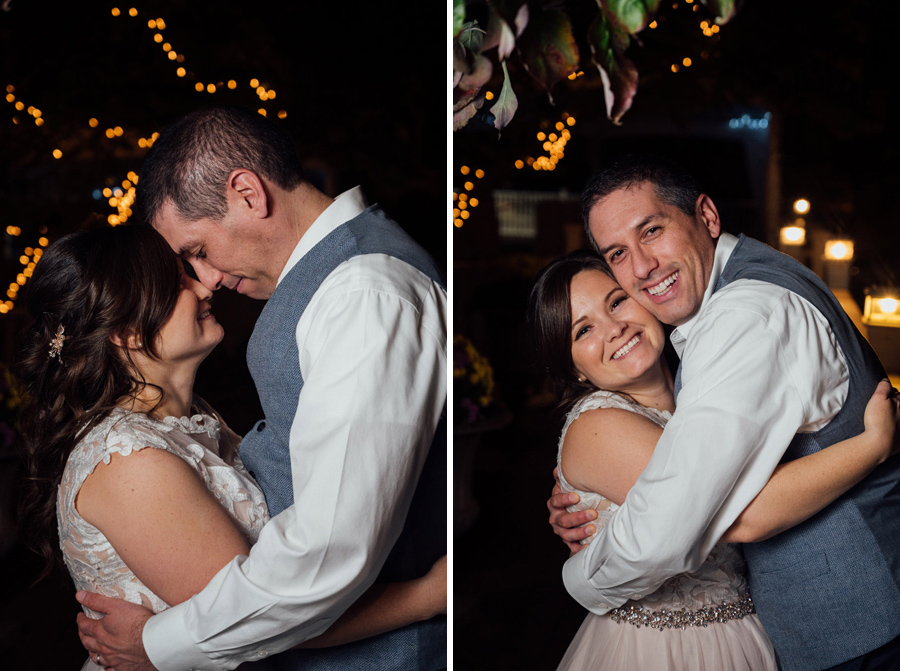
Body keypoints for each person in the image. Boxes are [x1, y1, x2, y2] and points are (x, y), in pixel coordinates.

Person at [76, 106, 447, 671]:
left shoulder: (364, 294)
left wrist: (160, 644)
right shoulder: (335, 287)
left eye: (196, 250)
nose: (206, 280)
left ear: (249, 193)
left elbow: (328, 551)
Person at [16, 226, 446, 671]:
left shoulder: (191, 421)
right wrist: (430, 594)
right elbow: (266, 620)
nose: (206, 286)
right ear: (125, 332)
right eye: (178, 284)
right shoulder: (130, 463)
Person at [547, 154, 900, 671]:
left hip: (862, 623)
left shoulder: (741, 317)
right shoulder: (720, 308)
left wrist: (579, 576)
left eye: (652, 230)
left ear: (707, 217)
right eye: (619, 252)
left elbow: (733, 516)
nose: (642, 267)